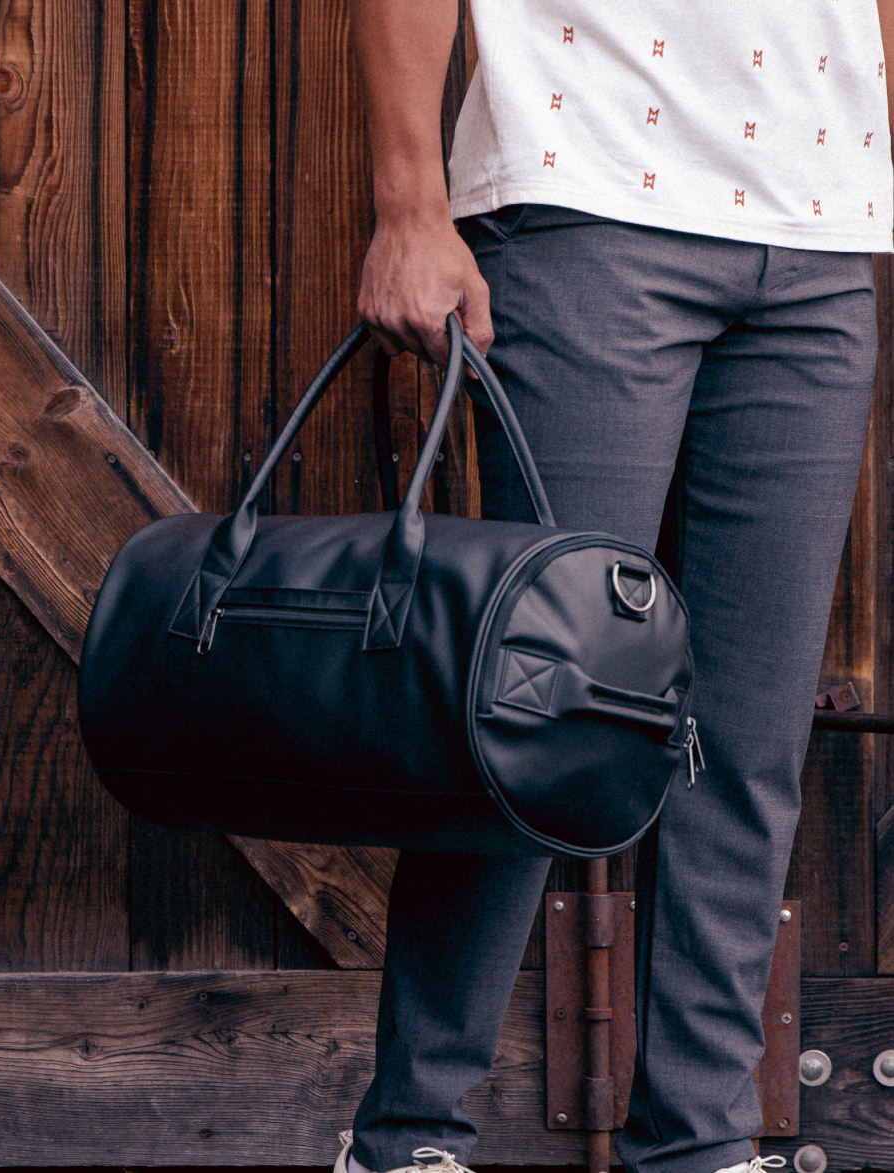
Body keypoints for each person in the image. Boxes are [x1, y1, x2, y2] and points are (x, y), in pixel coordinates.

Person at [337, 3, 894, 1172]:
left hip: (818, 236)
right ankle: (404, 1140)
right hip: (585, 193)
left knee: (745, 743)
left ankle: (700, 1144)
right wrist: (409, 207)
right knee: (529, 715)